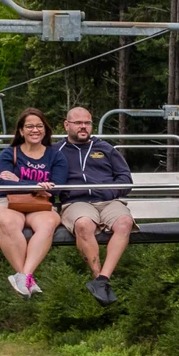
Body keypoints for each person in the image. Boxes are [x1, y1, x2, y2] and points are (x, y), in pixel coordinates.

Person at [0, 108, 68, 298]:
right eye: (29, 126)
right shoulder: (9, 153)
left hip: (39, 204)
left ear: (45, 130)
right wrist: (34, 186)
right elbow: (2, 182)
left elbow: (57, 187)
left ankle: (24, 275)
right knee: (9, 222)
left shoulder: (55, 156)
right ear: (21, 131)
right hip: (5, 201)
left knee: (48, 223)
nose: (35, 130)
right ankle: (27, 278)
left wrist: (19, 182)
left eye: (39, 126)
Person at [58, 106, 135, 305]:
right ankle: (97, 276)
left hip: (108, 201)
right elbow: (30, 164)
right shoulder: (55, 151)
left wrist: (110, 191)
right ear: (67, 125)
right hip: (76, 201)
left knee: (125, 222)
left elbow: (125, 179)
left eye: (87, 123)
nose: (83, 127)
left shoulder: (106, 149)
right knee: (83, 224)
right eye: (78, 123)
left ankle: (102, 281)